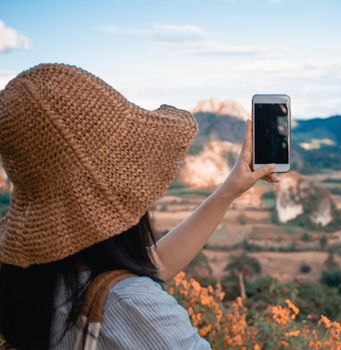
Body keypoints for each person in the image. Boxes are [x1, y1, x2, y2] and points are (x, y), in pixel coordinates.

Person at [0, 63, 279, 349]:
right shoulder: (132, 306)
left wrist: (228, 191)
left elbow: (149, 266)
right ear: (116, 188)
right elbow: (128, 292)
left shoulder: (42, 281)